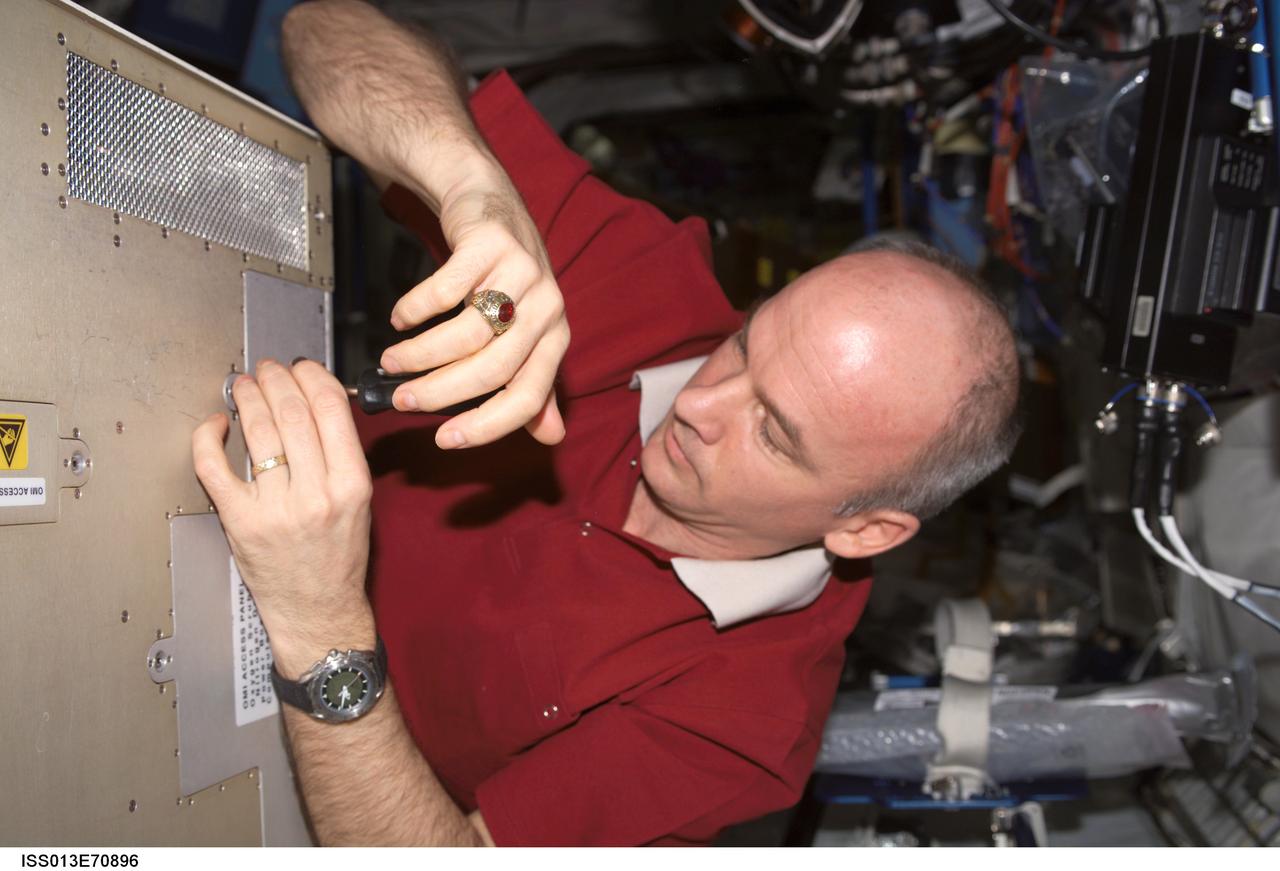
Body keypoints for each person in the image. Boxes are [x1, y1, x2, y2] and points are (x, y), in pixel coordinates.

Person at [190, 0, 1020, 847]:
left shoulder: (747, 721)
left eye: (775, 433)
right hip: (189, 496)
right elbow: (323, 30)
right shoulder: (648, 289)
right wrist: (470, 185)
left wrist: (322, 625)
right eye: (745, 343)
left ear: (865, 526)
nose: (695, 400)